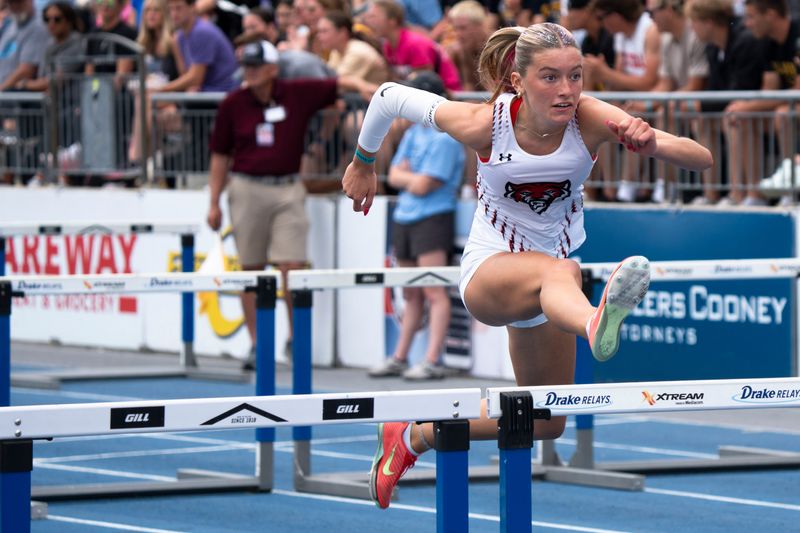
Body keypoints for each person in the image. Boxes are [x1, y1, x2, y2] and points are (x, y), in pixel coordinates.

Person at [342, 22, 712, 509]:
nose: (567, 91)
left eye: (576, 76)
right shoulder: (483, 124)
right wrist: (364, 161)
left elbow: (701, 158)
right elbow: (389, 95)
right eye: (550, 78)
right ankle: (594, 321)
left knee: (543, 418)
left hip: (546, 294)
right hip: (490, 272)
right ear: (518, 81)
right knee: (564, 272)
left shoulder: (591, 117)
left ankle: (412, 436)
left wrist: (650, 142)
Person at [206, 40, 372, 371]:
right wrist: (213, 202)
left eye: (256, 66)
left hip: (288, 188)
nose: (249, 73)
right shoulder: (233, 103)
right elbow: (220, 155)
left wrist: (370, 89)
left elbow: (340, 82)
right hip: (246, 187)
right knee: (250, 270)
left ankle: (296, 341)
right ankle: (257, 345)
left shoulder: (295, 92)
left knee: (292, 268)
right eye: (247, 67)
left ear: (272, 69)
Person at [367, 71, 464, 381]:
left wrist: (407, 178)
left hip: (432, 218)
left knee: (434, 292)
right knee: (411, 293)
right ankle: (399, 356)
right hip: (406, 217)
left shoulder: (446, 136)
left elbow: (421, 185)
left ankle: (432, 360)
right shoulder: (413, 133)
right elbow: (394, 176)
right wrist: (409, 179)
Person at [687, 0, 766, 205]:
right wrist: (700, 107)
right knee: (701, 121)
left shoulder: (744, 41)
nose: (692, 28)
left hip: (758, 110)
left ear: (709, 22)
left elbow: (741, 89)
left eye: (694, 22)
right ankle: (711, 194)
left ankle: (744, 194)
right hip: (734, 108)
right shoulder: (712, 49)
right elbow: (715, 89)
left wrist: (700, 105)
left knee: (734, 120)